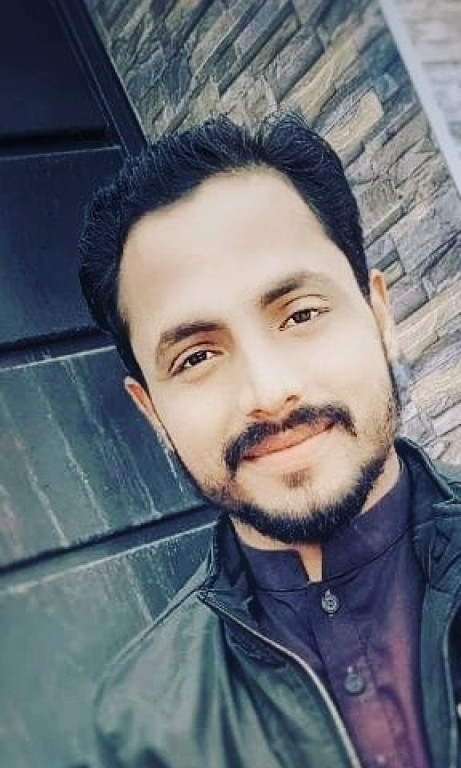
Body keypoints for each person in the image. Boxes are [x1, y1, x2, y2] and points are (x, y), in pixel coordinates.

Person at [79, 112, 461, 768]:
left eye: (301, 314)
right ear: (151, 412)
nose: (268, 389)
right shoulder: (140, 730)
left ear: (379, 318)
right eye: (197, 357)